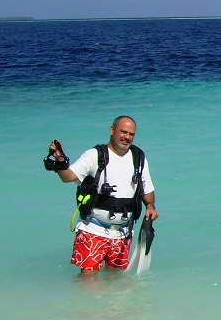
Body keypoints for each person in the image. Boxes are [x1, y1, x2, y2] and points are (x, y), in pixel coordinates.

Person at [45, 116, 158, 274]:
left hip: (123, 233)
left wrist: (150, 206)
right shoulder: (94, 155)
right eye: (123, 132)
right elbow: (68, 177)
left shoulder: (138, 158)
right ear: (112, 130)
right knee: (88, 280)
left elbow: (147, 189)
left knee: (115, 280)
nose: (127, 137)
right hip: (93, 229)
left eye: (131, 134)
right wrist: (60, 159)